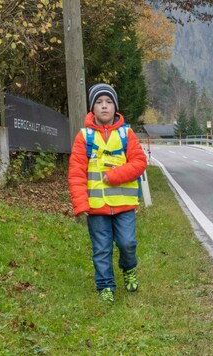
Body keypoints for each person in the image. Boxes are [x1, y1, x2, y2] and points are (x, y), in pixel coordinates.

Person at [68, 83, 147, 303]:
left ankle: (129, 268)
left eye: (109, 102)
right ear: (92, 108)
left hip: (124, 206)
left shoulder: (126, 134)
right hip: (96, 207)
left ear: (115, 106)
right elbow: (76, 174)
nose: (104, 106)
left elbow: (140, 162)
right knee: (101, 248)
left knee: (127, 243)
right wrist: (81, 205)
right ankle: (105, 285)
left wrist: (114, 176)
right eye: (99, 102)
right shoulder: (84, 138)